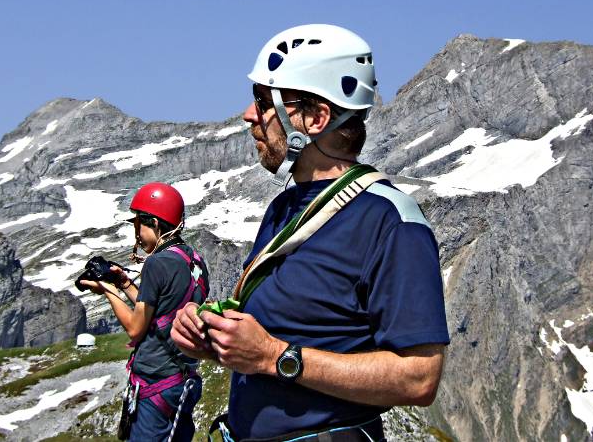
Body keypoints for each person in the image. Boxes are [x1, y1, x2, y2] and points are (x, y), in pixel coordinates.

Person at [171, 24, 449, 441]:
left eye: (265, 102)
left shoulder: (390, 221)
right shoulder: (284, 208)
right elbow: (278, 331)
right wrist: (212, 337)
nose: (249, 116)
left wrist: (273, 357)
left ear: (316, 118)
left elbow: (419, 376)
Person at [81, 181, 209, 442]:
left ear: (153, 222)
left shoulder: (157, 263)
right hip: (182, 379)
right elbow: (160, 308)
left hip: (156, 380)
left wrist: (108, 290)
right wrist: (125, 284)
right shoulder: (192, 259)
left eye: (138, 224)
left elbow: (136, 328)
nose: (137, 234)